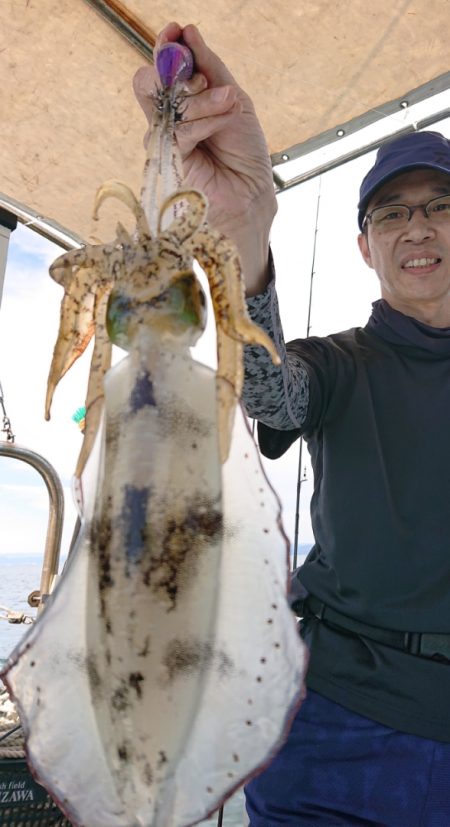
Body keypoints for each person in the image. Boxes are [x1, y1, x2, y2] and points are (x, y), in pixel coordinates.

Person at [135, 23, 450, 826]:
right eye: (392, 214)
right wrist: (247, 234)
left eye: (442, 206)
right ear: (365, 246)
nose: (418, 227)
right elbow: (273, 392)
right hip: (335, 718)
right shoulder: (338, 363)